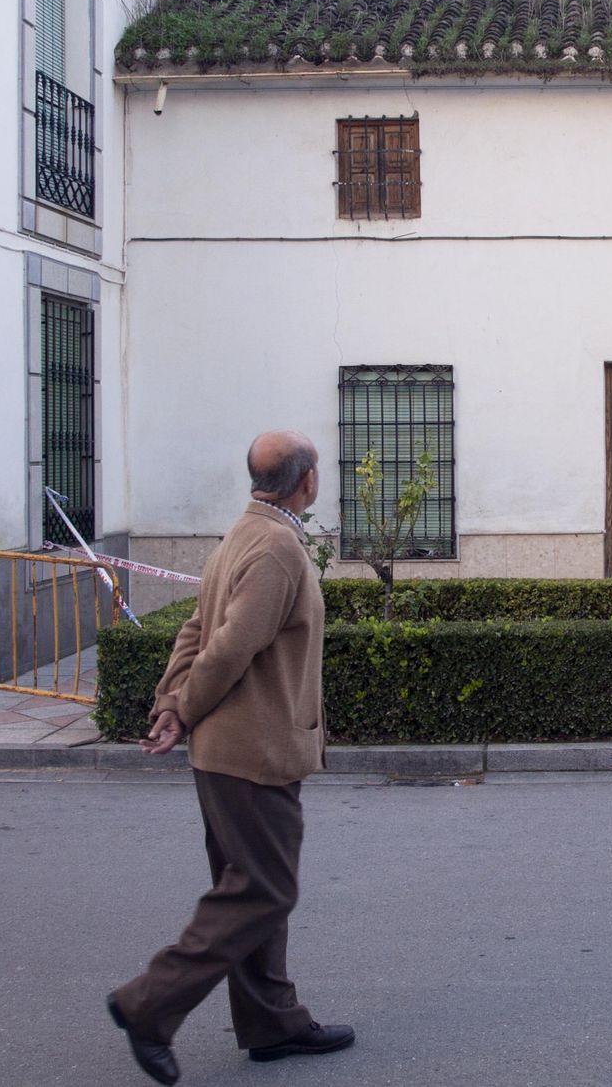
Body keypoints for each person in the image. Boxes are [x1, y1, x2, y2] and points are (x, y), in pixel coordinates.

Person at [107, 430, 353, 1085]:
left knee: (248, 887)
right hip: (253, 750)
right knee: (265, 890)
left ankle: (272, 1021)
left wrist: (172, 701)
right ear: (307, 481)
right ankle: (148, 1005)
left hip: (233, 749)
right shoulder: (276, 548)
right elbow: (229, 646)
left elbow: (196, 628)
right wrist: (182, 707)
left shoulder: (243, 535)